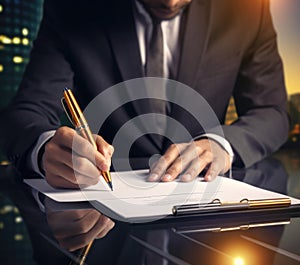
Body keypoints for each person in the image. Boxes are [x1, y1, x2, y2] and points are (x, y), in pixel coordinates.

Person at [0, 0, 289, 189]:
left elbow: (271, 113)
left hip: (203, 209)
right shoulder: (72, 9)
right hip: (103, 221)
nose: (170, 2)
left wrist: (222, 145)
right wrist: (45, 148)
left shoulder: (247, 10)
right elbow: (26, 112)